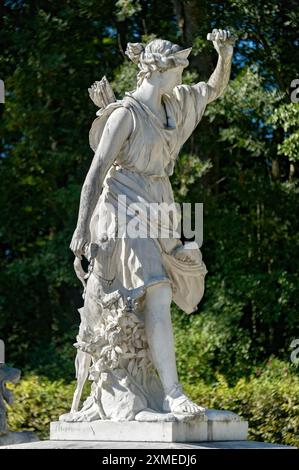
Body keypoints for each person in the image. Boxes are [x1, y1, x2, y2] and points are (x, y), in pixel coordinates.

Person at [68, 29, 234, 421]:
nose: (185, 71)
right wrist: (81, 228)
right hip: (121, 204)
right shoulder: (125, 115)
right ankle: (172, 393)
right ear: (159, 70)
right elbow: (94, 176)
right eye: (179, 65)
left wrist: (224, 54)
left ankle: (155, 390)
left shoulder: (174, 105)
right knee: (156, 292)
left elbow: (213, 88)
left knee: (154, 295)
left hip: (159, 203)